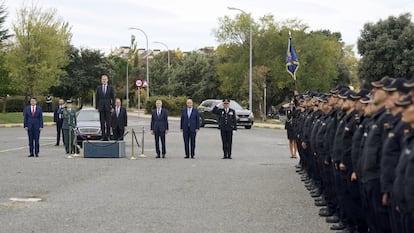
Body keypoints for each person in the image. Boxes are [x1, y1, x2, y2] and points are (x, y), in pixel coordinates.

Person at [95, 74, 115, 141]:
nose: (104, 80)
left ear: (107, 80)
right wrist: (97, 107)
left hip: (108, 107)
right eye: (103, 79)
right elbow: (97, 98)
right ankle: (103, 136)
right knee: (102, 122)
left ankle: (108, 136)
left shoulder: (110, 88)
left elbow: (113, 98)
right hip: (101, 107)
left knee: (108, 123)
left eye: (105, 79)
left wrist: (113, 107)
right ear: (101, 80)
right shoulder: (98, 88)